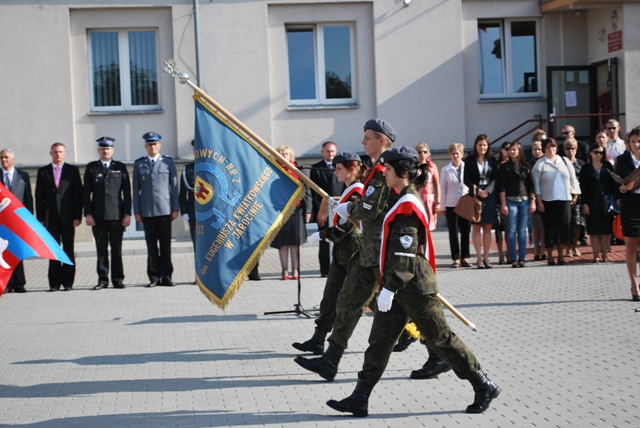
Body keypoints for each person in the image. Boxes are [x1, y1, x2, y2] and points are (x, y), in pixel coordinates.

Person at [326, 146, 500, 417]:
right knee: (380, 341)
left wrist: (389, 288)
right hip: (396, 285)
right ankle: (360, 397)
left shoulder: (407, 204)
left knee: (441, 339)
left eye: (388, 169)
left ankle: (483, 384)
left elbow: (405, 255)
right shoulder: (398, 197)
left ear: (402, 172)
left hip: (414, 286)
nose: (384, 173)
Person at [294, 119, 397, 381]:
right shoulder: (377, 170)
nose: (363, 142)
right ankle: (330, 358)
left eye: (367, 138)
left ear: (381, 140)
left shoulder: (384, 170)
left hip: (378, 252)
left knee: (418, 310)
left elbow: (370, 210)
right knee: (346, 303)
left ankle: (436, 351)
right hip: (368, 253)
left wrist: (347, 209)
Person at [292, 152, 364, 355]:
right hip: (342, 251)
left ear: (352, 169)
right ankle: (318, 339)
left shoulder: (357, 191)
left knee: (368, 298)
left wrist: (323, 234)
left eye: (339, 168)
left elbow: (348, 226)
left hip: (354, 250)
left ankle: (407, 330)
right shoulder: (347, 190)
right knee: (330, 296)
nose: (336, 172)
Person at [83, 137, 132, 289]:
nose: (105, 151)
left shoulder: (120, 167)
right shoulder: (92, 167)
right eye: (103, 149)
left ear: (113, 150)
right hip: (98, 216)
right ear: (99, 150)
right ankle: (103, 280)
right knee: (101, 249)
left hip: (116, 215)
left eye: (108, 149)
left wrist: (127, 214)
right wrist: (88, 214)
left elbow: (126, 192)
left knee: (116, 249)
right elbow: (86, 193)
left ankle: (118, 279)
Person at [133, 132, 179, 287]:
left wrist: (175, 208)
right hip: (147, 210)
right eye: (150, 144)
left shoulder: (168, 162)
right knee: (151, 246)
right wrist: (137, 211)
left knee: (165, 245)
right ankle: (153, 277)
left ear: (159, 145)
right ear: (145, 146)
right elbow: (135, 190)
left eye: (155, 144)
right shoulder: (139, 164)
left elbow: (174, 187)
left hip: (165, 210)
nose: (152, 147)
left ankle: (166, 276)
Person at [35, 142, 83, 291]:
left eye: (60, 151)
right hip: (51, 218)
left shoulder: (72, 170)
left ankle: (68, 282)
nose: (58, 154)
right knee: (53, 250)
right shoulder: (43, 171)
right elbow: (39, 196)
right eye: (55, 152)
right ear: (51, 153)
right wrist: (41, 218)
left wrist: (77, 216)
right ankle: (54, 283)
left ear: (65, 153)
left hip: (68, 217)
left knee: (68, 249)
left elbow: (78, 195)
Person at [531, 138, 581, 265]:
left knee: (563, 227)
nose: (551, 149)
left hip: (564, 200)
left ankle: (561, 256)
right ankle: (550, 256)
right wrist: (539, 202)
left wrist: (575, 194)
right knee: (549, 229)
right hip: (548, 201)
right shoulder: (540, 164)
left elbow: (573, 178)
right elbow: (536, 185)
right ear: (544, 149)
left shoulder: (564, 161)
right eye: (548, 147)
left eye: (553, 146)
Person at [270, 145, 311, 280]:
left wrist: (308, 210)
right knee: (283, 243)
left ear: (291, 156)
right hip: (280, 212)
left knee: (295, 243)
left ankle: (295, 270)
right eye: (281, 154)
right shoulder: (273, 171)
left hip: (296, 211)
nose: (284, 156)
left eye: (286, 154)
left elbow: (307, 191)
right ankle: (284, 270)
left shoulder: (298, 170)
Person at [309, 141, 344, 277]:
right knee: (324, 240)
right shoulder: (316, 168)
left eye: (333, 151)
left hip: (339, 208)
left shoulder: (341, 166)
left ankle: (339, 268)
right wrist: (321, 212)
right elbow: (315, 192)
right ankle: (324, 270)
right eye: (328, 151)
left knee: (339, 239)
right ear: (322, 152)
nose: (331, 154)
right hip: (323, 210)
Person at [0, 149, 33, 293]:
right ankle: (6, 284)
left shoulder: (23, 176)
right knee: (4, 253)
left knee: (18, 251)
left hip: (18, 221)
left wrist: (29, 219)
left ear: (13, 159)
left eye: (6, 157)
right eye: (1, 158)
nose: (4, 160)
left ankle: (19, 283)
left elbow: (28, 198)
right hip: (2, 221)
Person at [463, 134, 498, 269]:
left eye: (484, 145)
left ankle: (487, 258)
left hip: (489, 196)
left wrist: (487, 190)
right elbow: (466, 179)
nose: (482, 147)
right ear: (475, 146)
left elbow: (495, 178)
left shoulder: (493, 160)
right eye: (480, 145)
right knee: (476, 227)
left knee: (488, 227)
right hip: (475, 196)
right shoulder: (469, 160)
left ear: (488, 146)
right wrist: (477, 190)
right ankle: (479, 258)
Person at [498, 142, 535, 267]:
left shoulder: (526, 166)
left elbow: (531, 185)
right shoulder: (505, 167)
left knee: (522, 230)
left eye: (514, 149)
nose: (512, 151)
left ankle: (522, 257)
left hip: (524, 200)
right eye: (510, 150)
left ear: (519, 151)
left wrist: (532, 201)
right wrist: (503, 204)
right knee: (512, 230)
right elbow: (502, 187)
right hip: (510, 200)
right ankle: (513, 257)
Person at [615, 127, 640, 301]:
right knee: (631, 246)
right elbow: (616, 187)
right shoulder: (622, 160)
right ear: (628, 143)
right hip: (631, 205)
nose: (637, 145)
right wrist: (623, 188)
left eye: (639, 141)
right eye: (633, 141)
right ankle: (634, 284)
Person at [579, 143, 615, 263]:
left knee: (606, 230)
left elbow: (614, 183)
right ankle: (595, 255)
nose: (598, 155)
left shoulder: (607, 165)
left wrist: (615, 199)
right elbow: (583, 187)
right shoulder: (586, 168)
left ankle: (605, 255)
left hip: (606, 201)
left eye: (601, 153)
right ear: (590, 153)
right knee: (593, 229)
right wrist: (584, 203)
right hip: (591, 201)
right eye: (596, 152)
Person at [440, 143, 471, 268]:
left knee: (465, 231)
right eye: (453, 153)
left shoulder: (467, 167)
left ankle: (465, 257)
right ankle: (455, 258)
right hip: (451, 204)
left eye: (457, 153)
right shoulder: (445, 170)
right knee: (453, 232)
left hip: (465, 203)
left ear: (462, 154)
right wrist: (442, 206)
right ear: (450, 155)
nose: (455, 156)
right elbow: (443, 189)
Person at [563, 138, 586, 257]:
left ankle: (574, 246)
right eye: (568, 148)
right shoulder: (562, 163)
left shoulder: (581, 163)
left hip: (579, 196)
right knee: (567, 223)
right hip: (565, 196)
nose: (570, 151)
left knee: (578, 223)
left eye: (573, 148)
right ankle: (567, 248)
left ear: (576, 149)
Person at [414, 142, 440, 231]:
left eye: (425, 152)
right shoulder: (413, 167)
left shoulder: (432, 167)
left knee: (427, 228)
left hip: (429, 200)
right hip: (417, 198)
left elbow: (437, 185)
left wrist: (438, 202)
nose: (422, 154)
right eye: (419, 152)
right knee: (417, 227)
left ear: (428, 153)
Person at [494, 141, 511, 264]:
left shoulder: (513, 164)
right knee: (498, 227)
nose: (508, 151)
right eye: (506, 148)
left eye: (510, 148)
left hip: (510, 198)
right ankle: (500, 253)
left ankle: (509, 252)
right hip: (496, 199)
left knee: (509, 227)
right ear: (501, 150)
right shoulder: (496, 164)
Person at [530, 140, 546, 260]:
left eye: (539, 149)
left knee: (544, 226)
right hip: (534, 197)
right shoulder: (529, 164)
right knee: (536, 226)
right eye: (535, 149)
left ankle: (543, 249)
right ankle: (536, 249)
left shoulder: (546, 162)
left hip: (546, 196)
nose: (537, 151)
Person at [179, 140, 196, 247]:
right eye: (195, 150)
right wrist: (184, 212)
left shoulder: (213, 167)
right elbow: (182, 193)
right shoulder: (187, 169)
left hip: (212, 215)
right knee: (197, 246)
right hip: (193, 213)